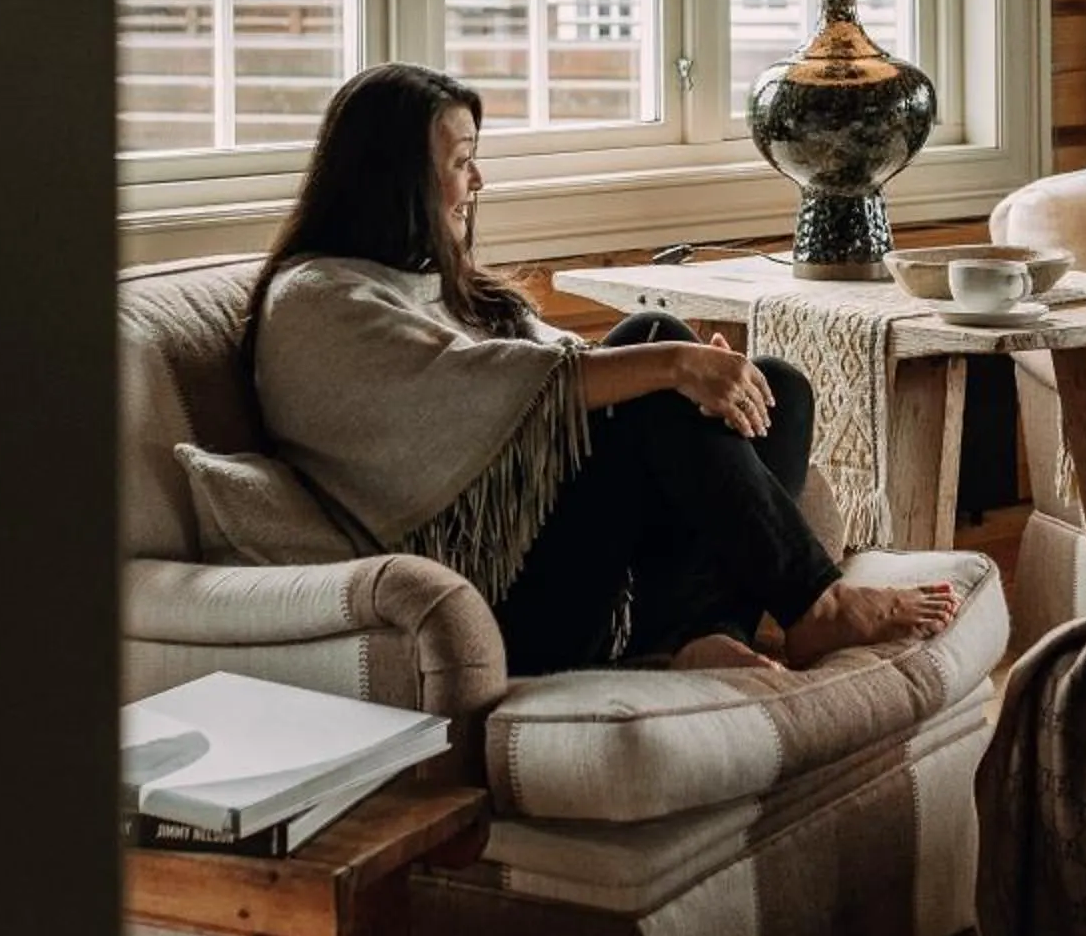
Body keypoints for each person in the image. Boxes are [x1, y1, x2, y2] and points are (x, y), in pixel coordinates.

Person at [249, 62, 959, 678]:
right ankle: (818, 602)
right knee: (658, 345)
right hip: (496, 602)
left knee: (774, 385)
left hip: (585, 575)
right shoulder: (319, 302)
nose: (478, 180)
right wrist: (669, 362)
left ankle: (704, 634)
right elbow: (469, 387)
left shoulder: (438, 281)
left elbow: (566, 365)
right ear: (393, 176)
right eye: (462, 161)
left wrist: (701, 370)